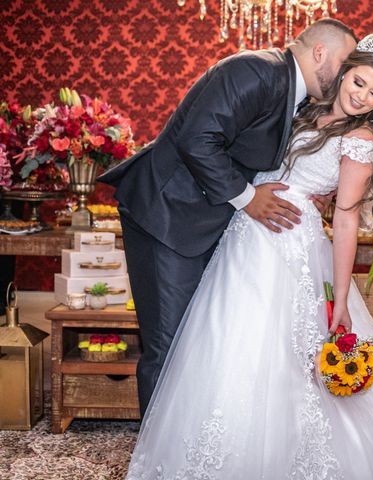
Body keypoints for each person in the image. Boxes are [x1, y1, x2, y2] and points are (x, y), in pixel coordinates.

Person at [125, 32, 373, 479]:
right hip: (242, 235)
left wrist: (340, 296)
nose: (361, 97)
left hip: (288, 242)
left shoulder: (360, 139)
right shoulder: (302, 107)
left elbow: (346, 219)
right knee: (222, 341)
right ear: (341, 71)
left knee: (278, 350)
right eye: (358, 82)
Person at [97, 19, 358, 416]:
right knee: (168, 345)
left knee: (199, 343)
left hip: (210, 224)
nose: (346, 77)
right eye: (345, 63)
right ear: (320, 52)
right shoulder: (254, 71)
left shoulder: (297, 94)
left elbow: (253, 150)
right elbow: (198, 139)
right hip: (168, 216)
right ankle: (159, 463)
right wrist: (249, 198)